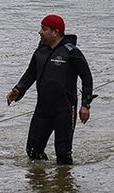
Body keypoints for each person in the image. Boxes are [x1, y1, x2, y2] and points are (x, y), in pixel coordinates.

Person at [6, 14, 95, 165]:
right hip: (43, 109)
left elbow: (87, 77)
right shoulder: (40, 51)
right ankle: (43, 182)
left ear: (56, 32)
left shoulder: (71, 52)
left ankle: (64, 186)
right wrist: (18, 90)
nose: (40, 32)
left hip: (65, 110)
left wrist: (85, 105)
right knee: (33, 151)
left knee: (63, 155)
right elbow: (30, 73)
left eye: (44, 29)